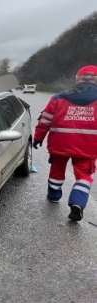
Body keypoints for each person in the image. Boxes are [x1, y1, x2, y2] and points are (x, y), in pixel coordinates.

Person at [33, 65, 97, 221]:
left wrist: (38, 138)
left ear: (77, 79)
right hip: (87, 147)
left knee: (57, 170)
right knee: (84, 176)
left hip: (59, 144)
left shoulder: (59, 98)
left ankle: (54, 196)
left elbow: (45, 120)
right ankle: (77, 203)